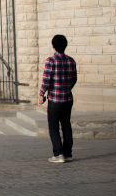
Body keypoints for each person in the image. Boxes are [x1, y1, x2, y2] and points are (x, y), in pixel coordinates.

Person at [39, 34, 78, 163]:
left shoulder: (51, 61)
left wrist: (41, 94)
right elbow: (73, 79)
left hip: (55, 99)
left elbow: (46, 79)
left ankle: (58, 153)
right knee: (66, 125)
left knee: (53, 126)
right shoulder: (71, 61)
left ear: (53, 46)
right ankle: (68, 153)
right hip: (67, 98)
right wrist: (66, 88)